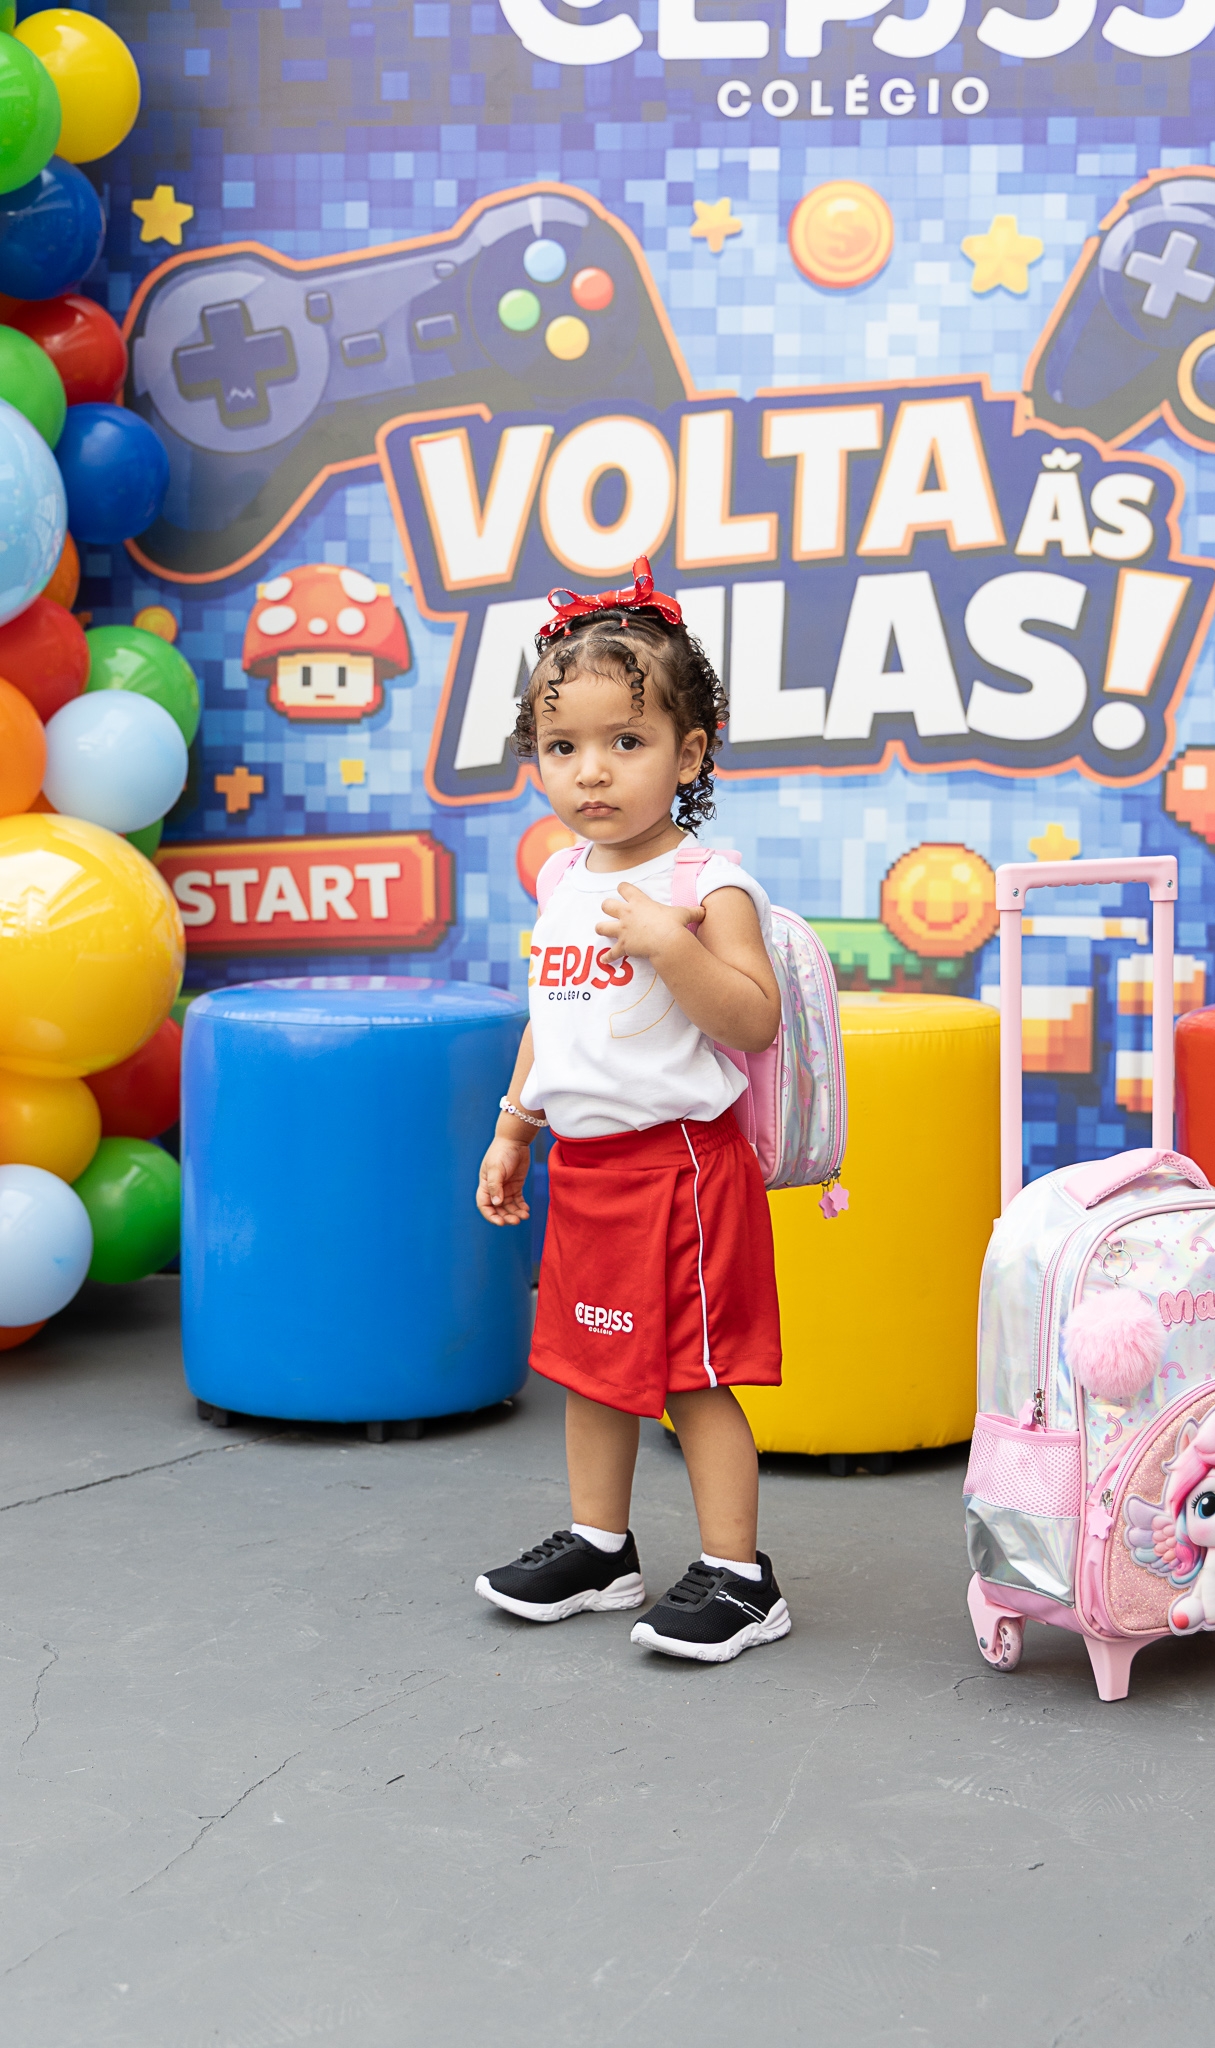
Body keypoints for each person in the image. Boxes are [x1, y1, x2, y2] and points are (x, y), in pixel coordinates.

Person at [474, 559, 789, 1664]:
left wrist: (671, 944)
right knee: (587, 1365)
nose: (591, 771)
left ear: (689, 752)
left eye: (626, 740)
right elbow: (551, 1018)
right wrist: (515, 1124)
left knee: (693, 1379)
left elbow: (753, 1020)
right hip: (589, 1169)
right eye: (561, 747)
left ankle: (741, 1577)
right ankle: (601, 1547)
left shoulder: (710, 883)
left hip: (681, 1171)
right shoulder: (564, 879)